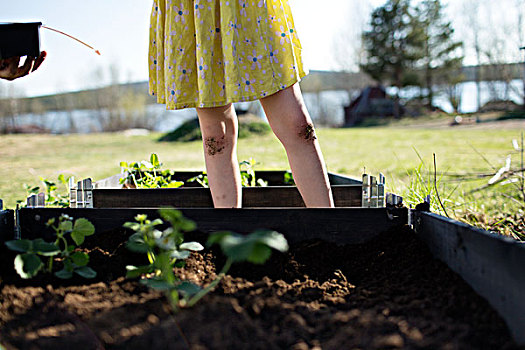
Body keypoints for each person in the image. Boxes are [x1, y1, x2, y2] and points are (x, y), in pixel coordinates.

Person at [149, 1, 334, 208]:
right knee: (215, 138)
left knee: (298, 127)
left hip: (249, 6)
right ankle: (230, 237)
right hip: (193, 10)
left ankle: (332, 231)